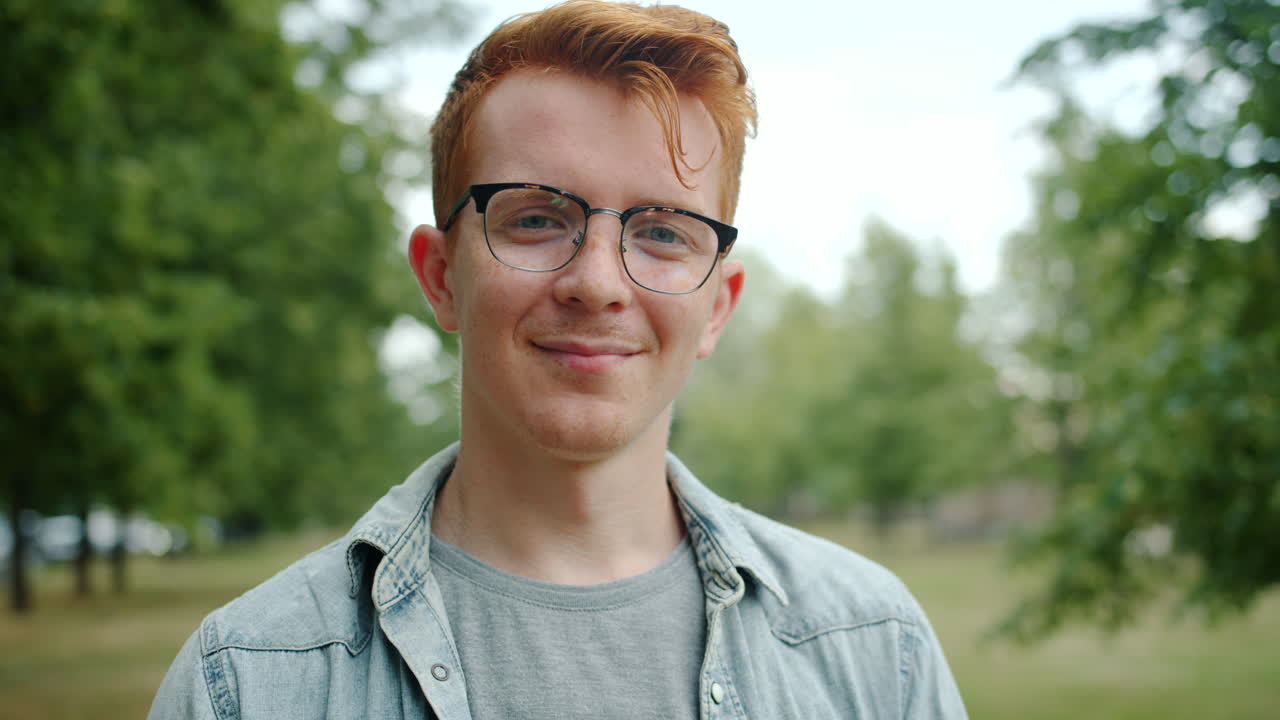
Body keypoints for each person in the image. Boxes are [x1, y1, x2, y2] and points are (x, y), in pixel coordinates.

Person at [149, 1, 967, 717]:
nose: (598, 284)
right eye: (537, 219)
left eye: (662, 232)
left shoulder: (873, 647)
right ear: (441, 277)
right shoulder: (248, 683)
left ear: (717, 306)